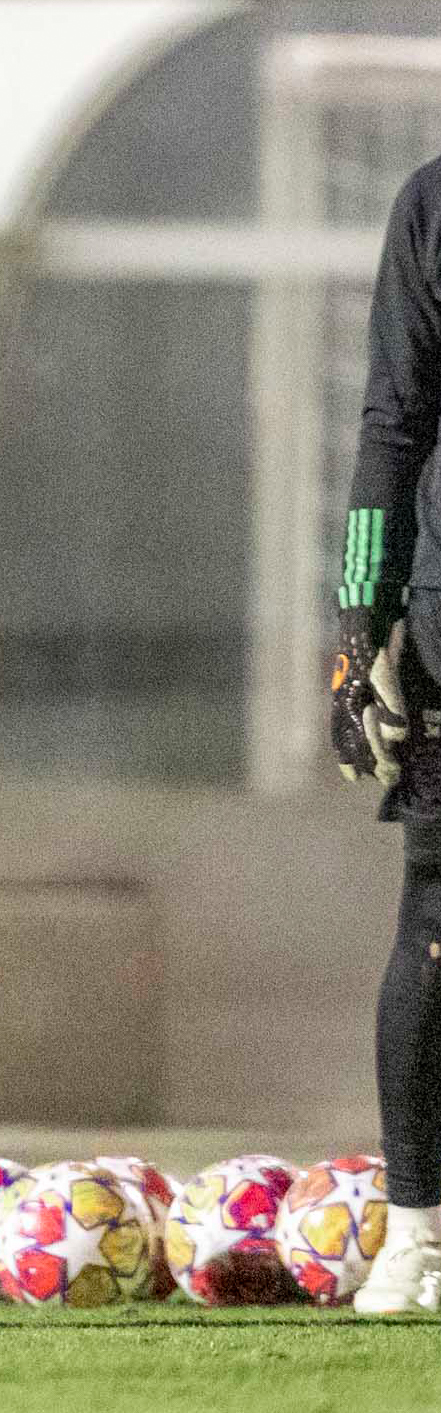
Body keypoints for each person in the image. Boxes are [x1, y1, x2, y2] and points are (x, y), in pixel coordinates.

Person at [334, 153, 441, 1315]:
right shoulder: (434, 201)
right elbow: (392, 423)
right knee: (438, 913)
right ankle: (417, 1234)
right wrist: (361, 625)